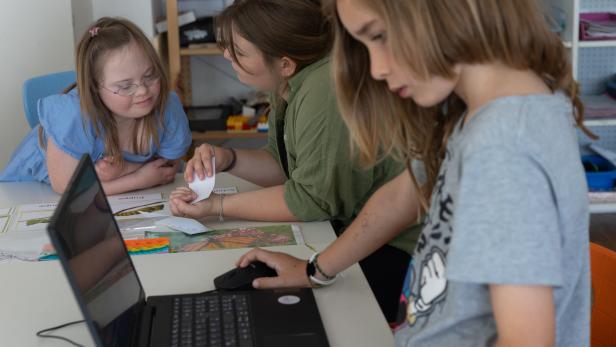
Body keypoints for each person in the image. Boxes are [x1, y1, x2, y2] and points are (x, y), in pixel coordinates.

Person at [236, 0, 593, 346]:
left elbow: (527, 340)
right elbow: (401, 197)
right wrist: (315, 271)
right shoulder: (481, 110)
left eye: (378, 36)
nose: (377, 69)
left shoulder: (502, 146)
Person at [168, 0, 421, 323]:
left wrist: (217, 206)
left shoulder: (323, 91)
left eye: (239, 52)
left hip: (398, 250)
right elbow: (285, 165)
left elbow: (310, 200)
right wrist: (228, 158)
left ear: (285, 63)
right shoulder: (289, 81)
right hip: (362, 231)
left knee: (272, 308)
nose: (227, 56)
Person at [0, 17, 191, 195]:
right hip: (27, 191)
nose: (143, 91)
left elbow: (166, 169)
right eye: (125, 86)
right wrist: (138, 178)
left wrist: (123, 171)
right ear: (94, 88)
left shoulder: (166, 106)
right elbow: (66, 187)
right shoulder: (74, 116)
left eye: (150, 75)